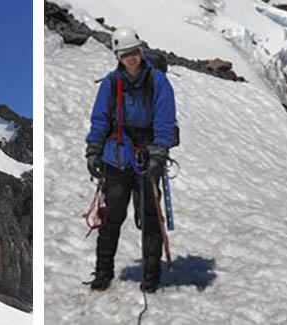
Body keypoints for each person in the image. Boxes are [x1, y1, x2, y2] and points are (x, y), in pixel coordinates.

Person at [85, 27, 177, 293]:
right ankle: (103, 273)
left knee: (150, 218)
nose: (131, 58)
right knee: (111, 217)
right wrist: (94, 149)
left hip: (147, 158)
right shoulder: (111, 84)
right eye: (126, 55)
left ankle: (151, 276)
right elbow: (100, 118)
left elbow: (164, 119)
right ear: (119, 57)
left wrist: (159, 152)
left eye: (134, 53)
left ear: (140, 52)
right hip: (116, 159)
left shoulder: (158, 82)